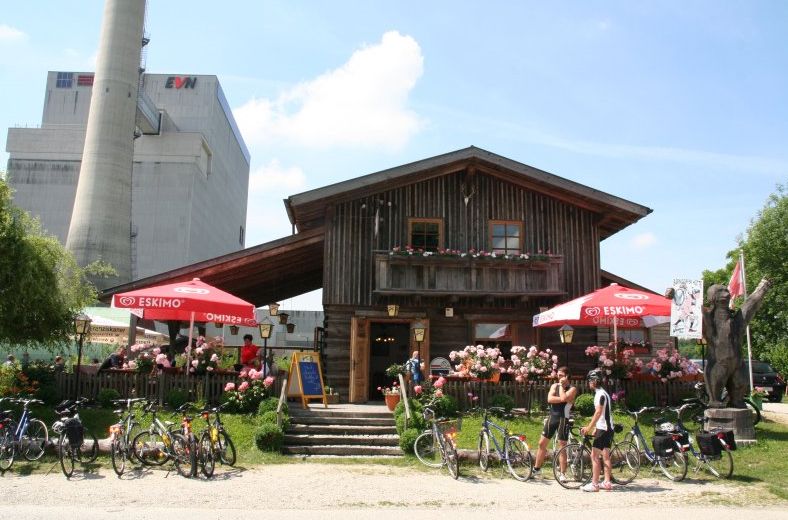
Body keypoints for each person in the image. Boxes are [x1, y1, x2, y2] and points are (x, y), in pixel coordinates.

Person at [532, 366, 577, 480]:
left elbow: (564, 397)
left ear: (567, 376)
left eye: (561, 375)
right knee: (542, 443)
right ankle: (537, 469)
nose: (558, 377)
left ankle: (562, 473)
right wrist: (562, 398)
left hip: (564, 418)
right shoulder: (554, 385)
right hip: (552, 417)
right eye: (558, 374)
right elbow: (550, 399)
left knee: (562, 445)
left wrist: (562, 389)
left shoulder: (572, 388)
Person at [580, 369, 614, 492]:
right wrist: (596, 428)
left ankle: (594, 484)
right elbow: (604, 413)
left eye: (590, 380)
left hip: (604, 429)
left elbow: (599, 412)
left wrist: (589, 427)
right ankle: (607, 482)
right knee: (605, 456)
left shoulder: (599, 394)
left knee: (594, 456)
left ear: (595, 381)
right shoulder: (604, 393)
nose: (589, 383)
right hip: (607, 428)